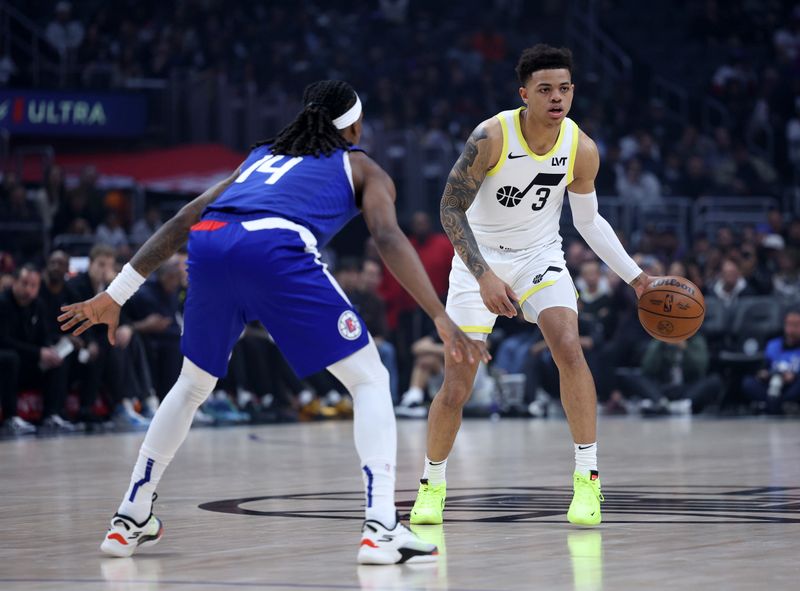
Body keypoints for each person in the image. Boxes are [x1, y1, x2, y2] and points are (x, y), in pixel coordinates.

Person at [59, 80, 485, 564]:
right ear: (356, 126)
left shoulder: (259, 158)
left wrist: (116, 294)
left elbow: (185, 219)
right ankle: (381, 527)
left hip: (212, 244)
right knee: (370, 380)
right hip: (274, 246)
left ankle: (130, 516)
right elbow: (387, 237)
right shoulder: (362, 165)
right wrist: (439, 315)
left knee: (192, 385)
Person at [409, 45, 653, 528]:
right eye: (545, 89)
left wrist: (638, 278)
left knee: (568, 346)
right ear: (524, 94)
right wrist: (483, 276)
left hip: (540, 257)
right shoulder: (491, 136)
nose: (557, 97)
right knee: (457, 385)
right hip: (477, 261)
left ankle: (588, 481)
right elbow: (449, 209)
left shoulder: (581, 148)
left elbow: (589, 221)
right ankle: (432, 483)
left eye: (564, 88)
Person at [0, 264, 73, 431]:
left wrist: (49, 349)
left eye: (33, 285)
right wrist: (39, 352)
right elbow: (4, 340)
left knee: (58, 357)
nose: (28, 289)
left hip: (29, 361)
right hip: (9, 361)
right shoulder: (3, 303)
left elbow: (44, 336)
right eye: (24, 283)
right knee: (11, 358)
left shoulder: (38, 305)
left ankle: (52, 414)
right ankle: (10, 417)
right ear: (14, 282)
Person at [742, 308, 800, 414]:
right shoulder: (773, 345)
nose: (791, 330)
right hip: (771, 385)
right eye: (789, 325)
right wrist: (764, 375)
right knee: (748, 382)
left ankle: (773, 405)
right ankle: (779, 405)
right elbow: (763, 368)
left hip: (792, 387)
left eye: (796, 326)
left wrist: (794, 376)